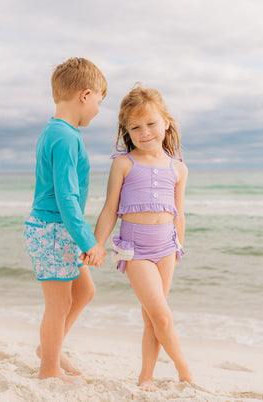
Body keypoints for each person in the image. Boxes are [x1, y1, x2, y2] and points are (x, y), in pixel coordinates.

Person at [82, 85, 192, 391]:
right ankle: (186, 372)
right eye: (135, 127)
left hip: (167, 248)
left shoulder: (179, 169)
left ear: (166, 122)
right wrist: (96, 244)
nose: (145, 132)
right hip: (136, 251)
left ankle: (146, 376)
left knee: (152, 320)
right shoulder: (124, 164)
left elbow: (178, 214)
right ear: (126, 131)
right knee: (162, 316)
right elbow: (109, 209)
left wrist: (178, 248)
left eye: (151, 123)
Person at [24, 57, 107, 383]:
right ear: (85, 95)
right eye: (99, 100)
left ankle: (49, 350)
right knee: (57, 306)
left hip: (56, 230)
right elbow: (66, 198)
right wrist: (90, 242)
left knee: (84, 292)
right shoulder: (65, 137)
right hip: (53, 230)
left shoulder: (56, 130)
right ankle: (49, 371)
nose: (98, 109)